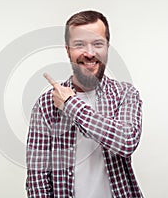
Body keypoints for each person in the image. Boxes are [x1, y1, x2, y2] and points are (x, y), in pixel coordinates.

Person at [26, 10, 143, 198]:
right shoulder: (46, 104)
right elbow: (37, 180)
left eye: (97, 44)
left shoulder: (125, 94)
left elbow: (126, 141)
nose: (89, 53)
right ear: (67, 50)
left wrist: (71, 105)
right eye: (79, 44)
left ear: (107, 47)